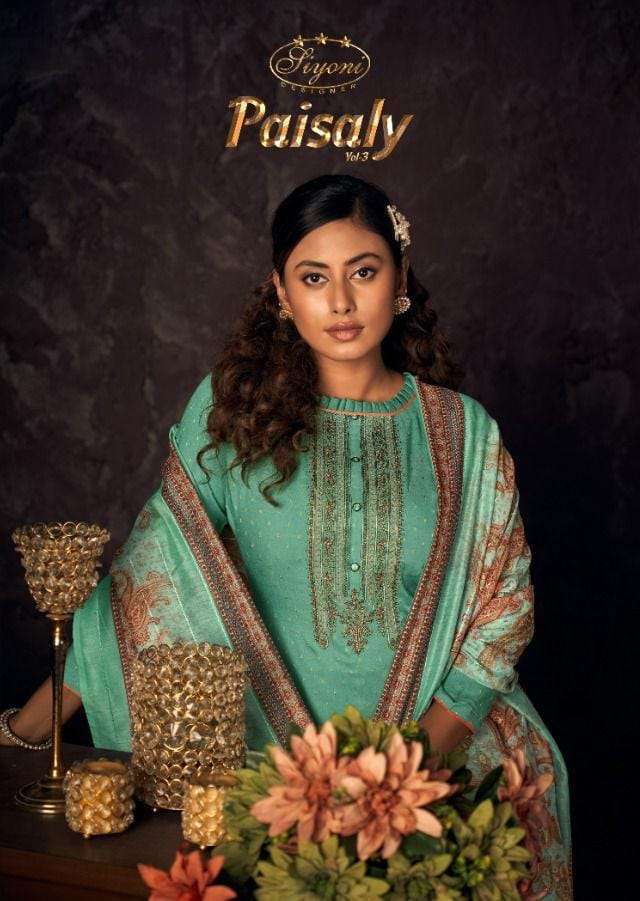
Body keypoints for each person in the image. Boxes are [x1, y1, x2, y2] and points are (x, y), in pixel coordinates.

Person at [1, 173, 572, 898]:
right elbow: (142, 586)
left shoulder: (465, 433)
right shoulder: (233, 412)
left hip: (447, 776)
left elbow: (504, 613)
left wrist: (398, 777)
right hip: (271, 783)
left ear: (399, 280)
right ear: (281, 291)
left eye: (363, 272)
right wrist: (23, 735)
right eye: (313, 277)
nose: (340, 303)